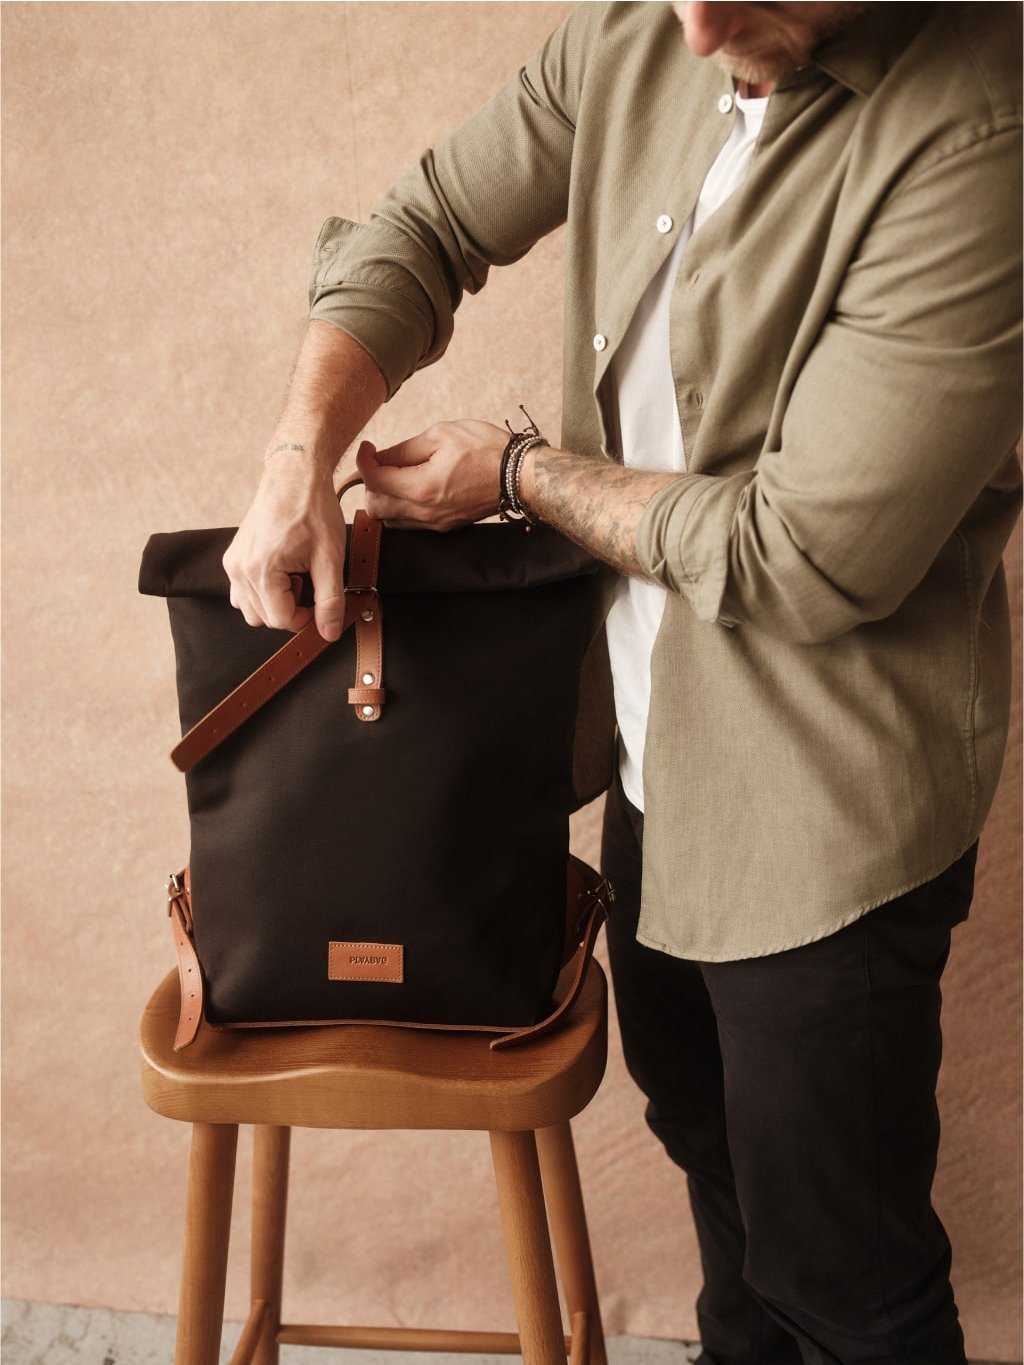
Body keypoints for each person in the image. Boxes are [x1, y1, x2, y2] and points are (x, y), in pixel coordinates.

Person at [223, 4, 1023, 1361]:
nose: (696, 31)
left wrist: (519, 474)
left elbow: (805, 556)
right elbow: (423, 224)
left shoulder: (985, 137)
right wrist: (299, 451)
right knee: (718, 1173)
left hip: (825, 818)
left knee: (845, 1278)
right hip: (657, 761)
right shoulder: (649, 23)